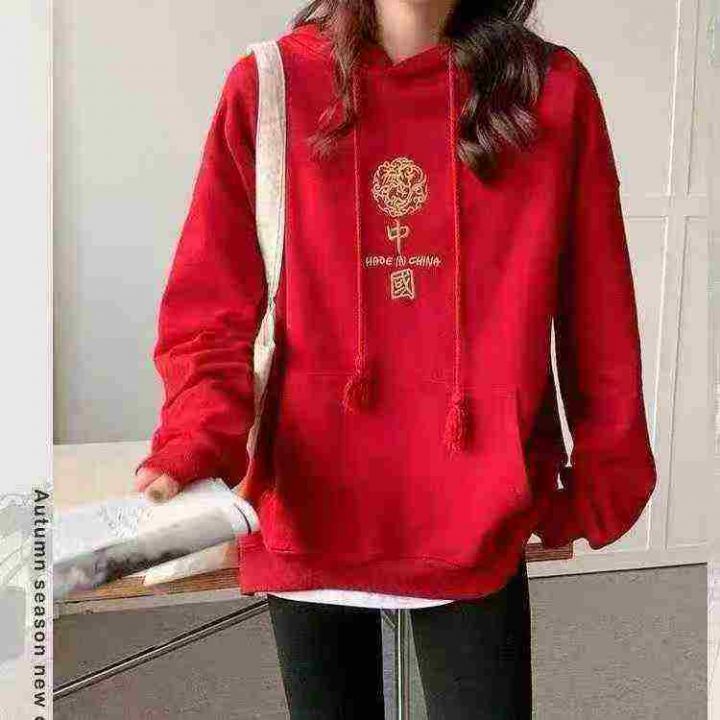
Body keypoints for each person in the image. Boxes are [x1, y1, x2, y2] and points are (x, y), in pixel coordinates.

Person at [134, 1, 658, 717]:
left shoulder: (549, 91)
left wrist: (604, 473)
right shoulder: (270, 83)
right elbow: (209, 305)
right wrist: (195, 438)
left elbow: (598, 306)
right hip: (311, 501)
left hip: (476, 508)